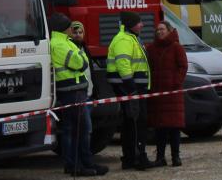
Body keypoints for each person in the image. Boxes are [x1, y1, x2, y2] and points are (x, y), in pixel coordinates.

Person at [49, 13, 107, 176]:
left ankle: (84, 163)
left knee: (77, 130)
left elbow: (82, 60)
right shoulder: (60, 44)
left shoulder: (64, 42)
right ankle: (76, 166)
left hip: (75, 90)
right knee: (77, 130)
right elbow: (81, 63)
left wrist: (80, 57)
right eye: (68, 27)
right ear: (63, 28)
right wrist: (80, 58)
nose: (71, 29)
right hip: (71, 91)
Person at [106, 12, 151, 169]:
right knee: (135, 123)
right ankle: (137, 159)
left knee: (133, 123)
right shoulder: (124, 39)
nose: (142, 25)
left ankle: (132, 157)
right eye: (139, 22)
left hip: (132, 87)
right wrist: (130, 86)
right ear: (131, 24)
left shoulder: (131, 38)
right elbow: (123, 63)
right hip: (129, 88)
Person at [146, 22, 187, 167]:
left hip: (172, 93)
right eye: (157, 30)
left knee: (174, 127)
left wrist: (176, 82)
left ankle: (176, 157)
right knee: (160, 128)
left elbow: (183, 66)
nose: (159, 32)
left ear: (169, 31)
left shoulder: (176, 47)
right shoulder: (151, 48)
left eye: (162, 29)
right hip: (157, 93)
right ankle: (160, 157)